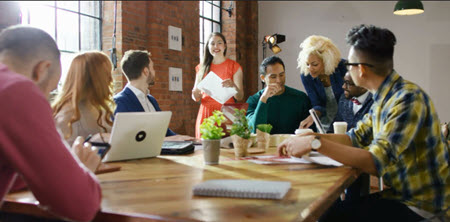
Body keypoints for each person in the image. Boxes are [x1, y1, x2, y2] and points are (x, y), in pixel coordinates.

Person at [279, 24, 449, 221]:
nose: (346, 69)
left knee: (330, 216)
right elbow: (353, 138)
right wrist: (313, 136)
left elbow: (375, 162)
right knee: (327, 210)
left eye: (349, 65)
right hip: (403, 196)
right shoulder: (384, 98)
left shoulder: (407, 99)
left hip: (424, 205)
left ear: (360, 69)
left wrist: (316, 143)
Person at [0, 25, 101, 221]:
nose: (46, 99)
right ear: (42, 70)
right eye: (49, 90)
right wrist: (81, 169)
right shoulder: (17, 89)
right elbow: (80, 205)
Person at [114, 49, 193, 140]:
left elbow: (164, 131)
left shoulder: (151, 100)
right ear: (146, 72)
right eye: (153, 68)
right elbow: (129, 139)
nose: (154, 72)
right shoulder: (120, 102)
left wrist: (184, 138)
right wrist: (171, 139)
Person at [52, 51, 114, 145]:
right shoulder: (66, 115)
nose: (111, 80)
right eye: (107, 74)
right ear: (93, 79)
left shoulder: (97, 107)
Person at [192, 32, 244, 139]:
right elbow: (196, 96)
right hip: (206, 113)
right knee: (205, 151)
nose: (216, 46)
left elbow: (240, 97)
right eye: (212, 44)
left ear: (225, 46)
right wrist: (195, 93)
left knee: (228, 151)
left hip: (227, 112)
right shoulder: (201, 67)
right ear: (208, 47)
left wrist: (233, 86)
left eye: (219, 43)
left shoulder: (234, 66)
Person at [246, 56, 311, 134]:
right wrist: (263, 99)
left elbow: (310, 131)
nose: (279, 80)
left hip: (293, 144)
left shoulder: (301, 98)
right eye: (273, 77)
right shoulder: (253, 101)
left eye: (281, 75)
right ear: (263, 78)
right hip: (264, 145)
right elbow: (255, 131)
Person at [297, 35, 347, 132]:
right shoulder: (306, 75)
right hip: (324, 124)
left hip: (344, 124)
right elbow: (317, 104)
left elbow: (351, 101)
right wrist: (311, 117)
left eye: (315, 64)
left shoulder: (343, 68)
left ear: (326, 61)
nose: (310, 68)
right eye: (307, 64)